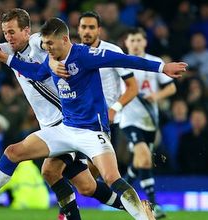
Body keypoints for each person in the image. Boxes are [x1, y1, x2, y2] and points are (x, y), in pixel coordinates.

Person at [0, 17, 185, 219]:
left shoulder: (85, 56)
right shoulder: (50, 61)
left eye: (51, 44)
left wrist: (162, 67)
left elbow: (125, 60)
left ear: (65, 39)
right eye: (46, 45)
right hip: (65, 128)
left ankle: (144, 215)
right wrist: (9, 59)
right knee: (15, 153)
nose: (48, 49)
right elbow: (36, 73)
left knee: (110, 178)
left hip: (92, 131)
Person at [0, 7, 137, 220]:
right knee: (85, 186)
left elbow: (59, 51)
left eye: (12, 32)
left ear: (27, 31)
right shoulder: (8, 50)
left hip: (68, 121)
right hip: (50, 127)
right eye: (5, 32)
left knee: (17, 155)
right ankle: (140, 209)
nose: (8, 37)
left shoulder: (39, 42)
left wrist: (53, 62)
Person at [41, 11, 139, 218]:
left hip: (105, 121)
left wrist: (115, 109)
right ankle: (67, 213)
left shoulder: (110, 51)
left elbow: (132, 87)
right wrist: (50, 61)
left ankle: (137, 206)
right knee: (77, 178)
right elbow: (42, 47)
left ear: (99, 30)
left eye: (91, 27)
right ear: (77, 30)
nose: (86, 31)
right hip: (78, 122)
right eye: (83, 27)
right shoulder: (69, 52)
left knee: (91, 180)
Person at [121, 28, 177, 219]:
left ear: (144, 42)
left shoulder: (155, 62)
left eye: (138, 40)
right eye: (132, 40)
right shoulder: (120, 62)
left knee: (139, 161)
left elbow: (171, 87)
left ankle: (123, 190)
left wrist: (156, 96)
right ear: (126, 43)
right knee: (144, 156)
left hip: (150, 120)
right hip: (128, 119)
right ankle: (154, 204)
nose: (135, 43)